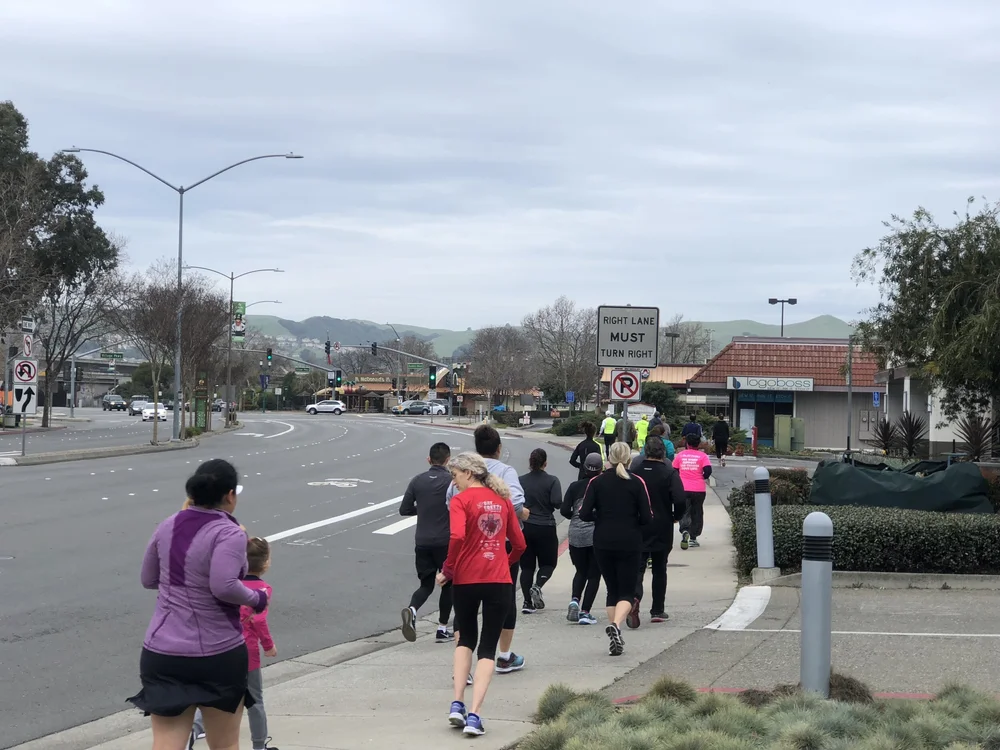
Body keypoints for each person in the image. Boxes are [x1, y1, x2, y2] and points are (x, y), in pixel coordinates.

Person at [129, 459, 267, 750]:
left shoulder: (167, 525)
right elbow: (223, 586)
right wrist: (257, 599)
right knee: (224, 744)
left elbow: (148, 579)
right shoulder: (229, 532)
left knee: (166, 743)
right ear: (230, 495)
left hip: (163, 651)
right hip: (218, 652)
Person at [440, 452, 526, 737]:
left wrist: (448, 569)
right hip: (498, 580)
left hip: (466, 579)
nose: (454, 482)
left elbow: (456, 536)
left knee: (465, 639)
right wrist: (505, 561)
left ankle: (457, 703)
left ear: (468, 473)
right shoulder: (503, 500)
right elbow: (520, 544)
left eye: (455, 476)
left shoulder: (460, 501)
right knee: (488, 647)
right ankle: (475, 715)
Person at [446, 424, 527, 674]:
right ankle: (504, 655)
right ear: (499, 448)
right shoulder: (505, 471)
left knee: (464, 609)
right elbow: (515, 502)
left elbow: (451, 503)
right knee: (505, 602)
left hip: (467, 548)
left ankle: (463, 668)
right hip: (500, 547)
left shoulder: (462, 477)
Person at [191, 538, 279, 750]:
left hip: (221, 647)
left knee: (213, 695)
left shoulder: (229, 587)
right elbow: (258, 620)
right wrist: (268, 645)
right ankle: (259, 745)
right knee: (255, 700)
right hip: (247, 653)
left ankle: (192, 731)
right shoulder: (263, 589)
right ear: (265, 563)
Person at [579, 442, 653, 656]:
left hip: (603, 541)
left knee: (612, 589)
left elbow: (584, 513)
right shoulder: (637, 482)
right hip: (629, 540)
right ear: (629, 459)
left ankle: (615, 634)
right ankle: (617, 626)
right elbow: (647, 517)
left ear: (609, 459)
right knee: (627, 591)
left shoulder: (596, 482)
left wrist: (600, 517)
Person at [399, 442, 455, 643]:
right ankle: (442, 628)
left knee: (426, 585)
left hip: (422, 541)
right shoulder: (452, 481)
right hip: (445, 541)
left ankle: (413, 609)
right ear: (448, 460)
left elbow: (404, 509)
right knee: (448, 585)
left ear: (429, 459)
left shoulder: (417, 480)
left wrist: (422, 508)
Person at [629, 436, 686, 627]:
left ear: (646, 451)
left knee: (638, 567)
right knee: (660, 568)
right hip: (662, 525)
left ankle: (634, 598)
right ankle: (657, 610)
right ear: (663, 452)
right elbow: (680, 499)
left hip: (639, 525)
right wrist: (676, 516)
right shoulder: (669, 473)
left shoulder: (635, 472)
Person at [559, 452, 603, 625]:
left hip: (575, 533)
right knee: (594, 574)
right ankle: (585, 612)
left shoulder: (574, 486)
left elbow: (564, 510)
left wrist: (575, 517)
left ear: (584, 469)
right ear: (600, 470)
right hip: (594, 535)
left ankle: (574, 600)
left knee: (581, 571)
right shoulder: (601, 486)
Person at [518, 448, 562, 613]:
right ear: (545, 463)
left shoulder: (521, 480)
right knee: (548, 564)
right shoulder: (552, 481)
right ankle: (537, 586)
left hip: (526, 526)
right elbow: (557, 502)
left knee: (527, 567)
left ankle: (527, 603)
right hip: (545, 527)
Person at [674, 433, 713, 549]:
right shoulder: (703, 456)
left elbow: (674, 471)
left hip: (683, 488)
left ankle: (685, 530)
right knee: (697, 512)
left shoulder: (680, 456)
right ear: (698, 444)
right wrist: (702, 477)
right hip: (698, 489)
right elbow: (708, 471)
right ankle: (693, 537)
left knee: (684, 511)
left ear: (687, 444)